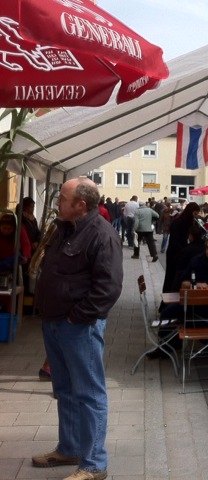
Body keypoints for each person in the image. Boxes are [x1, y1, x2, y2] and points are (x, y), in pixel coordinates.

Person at [32, 177, 122, 480]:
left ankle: (94, 464)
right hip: (55, 322)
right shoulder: (65, 228)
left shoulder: (101, 234)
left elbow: (108, 287)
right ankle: (69, 448)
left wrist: (77, 317)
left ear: (80, 205)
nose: (58, 202)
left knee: (89, 394)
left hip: (79, 327)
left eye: (62, 198)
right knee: (65, 390)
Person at [161, 202, 201, 293]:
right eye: (195, 213)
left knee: (171, 275)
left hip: (175, 251)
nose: (195, 216)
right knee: (173, 276)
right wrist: (184, 250)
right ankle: (169, 295)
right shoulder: (182, 222)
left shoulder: (180, 220)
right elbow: (176, 240)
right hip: (176, 253)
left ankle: (168, 294)